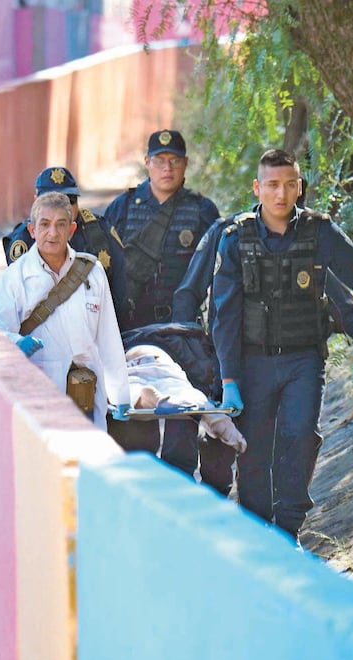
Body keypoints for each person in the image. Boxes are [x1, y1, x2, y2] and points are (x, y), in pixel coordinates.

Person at [212, 148, 353, 541]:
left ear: (299, 186)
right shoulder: (236, 239)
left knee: (301, 437)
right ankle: (256, 531)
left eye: (289, 185)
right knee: (254, 450)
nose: (281, 194)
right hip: (253, 364)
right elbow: (224, 315)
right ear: (258, 187)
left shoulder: (320, 232)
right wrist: (229, 378)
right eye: (272, 185)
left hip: (304, 360)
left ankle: (288, 530)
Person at [172, 213, 353, 496]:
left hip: (286, 361)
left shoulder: (303, 239)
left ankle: (279, 523)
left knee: (293, 441)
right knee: (220, 447)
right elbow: (187, 296)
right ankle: (219, 511)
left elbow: (338, 296)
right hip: (225, 363)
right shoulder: (228, 234)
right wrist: (193, 362)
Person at [103, 129, 219, 476]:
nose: (167, 168)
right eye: (159, 161)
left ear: (185, 166)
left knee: (182, 415)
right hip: (133, 331)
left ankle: (180, 485)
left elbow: (220, 273)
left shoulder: (201, 211)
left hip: (181, 332)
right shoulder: (122, 209)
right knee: (138, 422)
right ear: (147, 164)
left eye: (174, 161)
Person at [0, 192, 130, 431]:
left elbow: (108, 337)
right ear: (31, 230)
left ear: (72, 230)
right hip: (40, 398)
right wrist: (14, 341)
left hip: (87, 398)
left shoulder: (92, 271)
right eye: (44, 224)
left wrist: (121, 394)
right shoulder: (15, 277)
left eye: (61, 225)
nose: (53, 233)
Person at [2, 166, 126, 319]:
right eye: (52, 202)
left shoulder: (99, 229)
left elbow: (123, 283)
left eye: (69, 201)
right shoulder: (26, 237)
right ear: (36, 202)